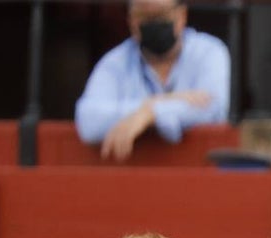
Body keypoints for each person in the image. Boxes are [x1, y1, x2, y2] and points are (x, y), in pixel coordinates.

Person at [75, 0, 230, 162]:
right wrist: (156, 104)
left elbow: (212, 108)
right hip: (131, 177)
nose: (154, 23)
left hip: (199, 175)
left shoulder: (209, 52)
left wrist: (150, 114)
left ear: (182, 15)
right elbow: (89, 121)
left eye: (161, 15)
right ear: (130, 21)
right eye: (144, 16)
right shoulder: (115, 62)